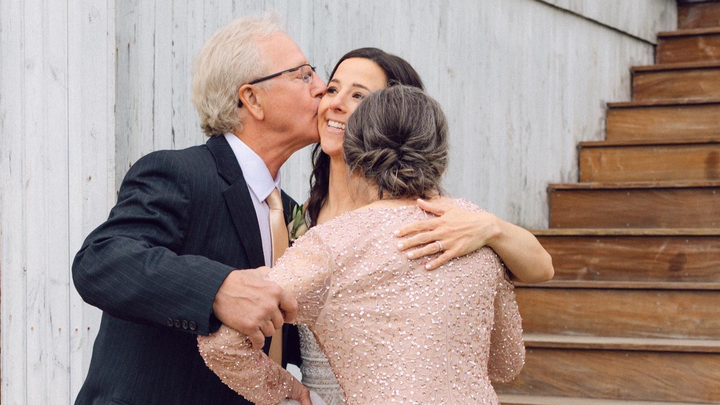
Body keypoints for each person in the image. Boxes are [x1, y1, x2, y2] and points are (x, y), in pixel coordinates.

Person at [198, 84, 525, 405]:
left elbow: (222, 344)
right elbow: (507, 363)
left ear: (354, 153)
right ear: (440, 154)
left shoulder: (331, 242)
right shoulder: (476, 228)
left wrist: (286, 391)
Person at [71, 16, 323, 404]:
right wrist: (218, 289)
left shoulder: (293, 215)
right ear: (252, 99)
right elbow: (100, 260)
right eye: (303, 75)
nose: (321, 88)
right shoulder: (180, 174)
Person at [296, 48, 554, 404]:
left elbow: (542, 268)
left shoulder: (429, 213)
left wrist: (492, 228)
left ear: (394, 116)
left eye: (358, 96)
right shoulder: (301, 216)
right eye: (332, 89)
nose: (336, 104)